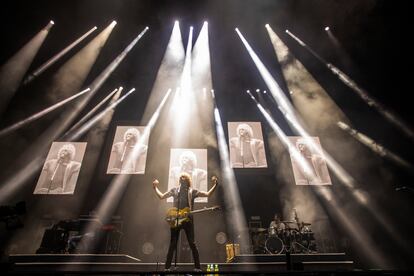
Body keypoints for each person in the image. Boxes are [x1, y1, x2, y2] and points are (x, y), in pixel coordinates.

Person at [153, 173, 218, 272]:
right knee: (173, 244)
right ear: (179, 182)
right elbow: (162, 196)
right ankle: (167, 268)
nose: (182, 182)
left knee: (192, 243)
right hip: (176, 219)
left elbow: (207, 194)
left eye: (184, 180)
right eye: (181, 180)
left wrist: (215, 185)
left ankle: (197, 267)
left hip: (188, 220)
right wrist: (155, 187)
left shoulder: (192, 191)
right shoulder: (174, 190)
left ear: (188, 182)